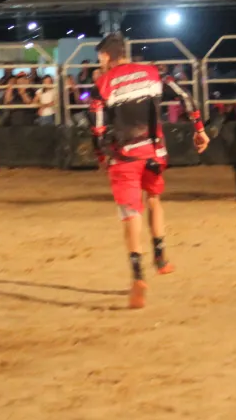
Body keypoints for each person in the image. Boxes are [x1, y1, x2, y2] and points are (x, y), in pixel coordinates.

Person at [89, 33, 210, 310]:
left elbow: (97, 127)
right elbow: (185, 97)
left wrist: (101, 156)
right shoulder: (153, 72)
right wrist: (199, 130)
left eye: (100, 58)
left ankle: (138, 277)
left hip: (125, 157)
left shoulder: (103, 84)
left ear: (106, 56)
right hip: (155, 153)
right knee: (154, 199)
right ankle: (161, 258)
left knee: (130, 213)